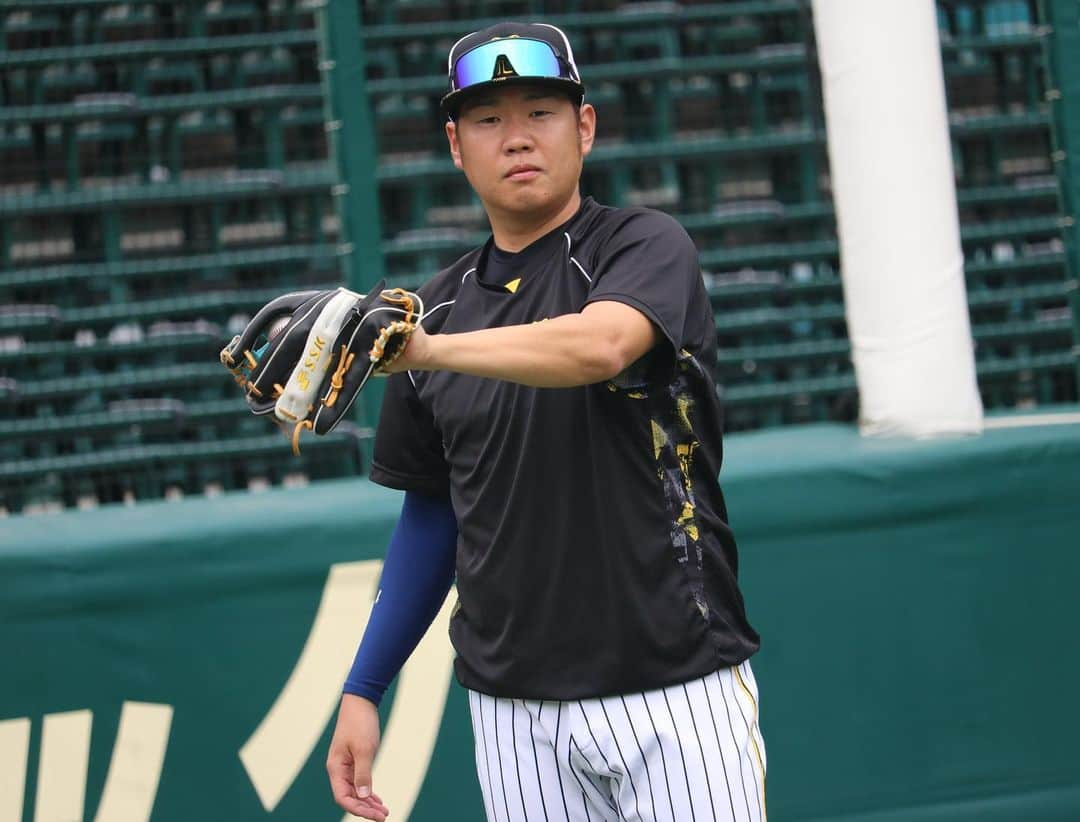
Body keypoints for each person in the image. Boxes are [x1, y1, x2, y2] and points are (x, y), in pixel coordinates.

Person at [326, 22, 765, 822]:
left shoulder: (643, 244)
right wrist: (363, 687)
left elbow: (600, 344)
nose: (518, 137)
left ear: (585, 127)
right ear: (457, 147)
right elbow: (432, 515)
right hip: (512, 709)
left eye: (541, 111)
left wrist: (430, 348)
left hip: (674, 688)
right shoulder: (432, 311)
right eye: (489, 120)